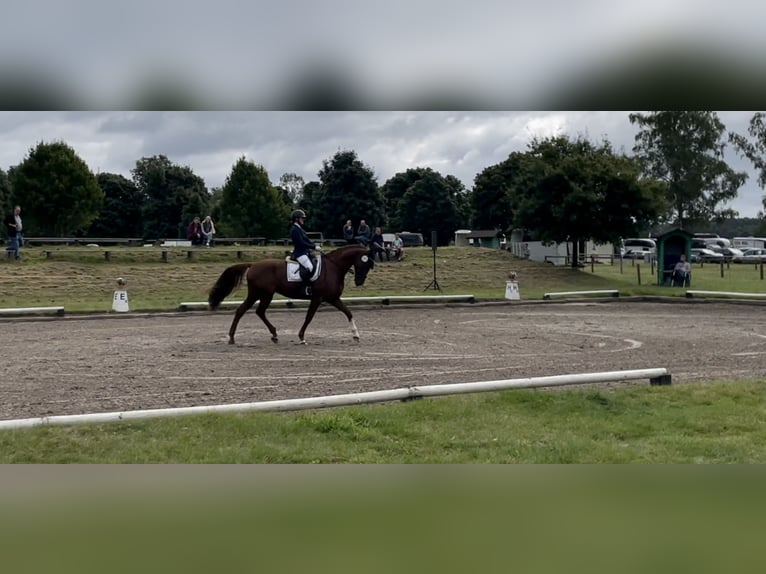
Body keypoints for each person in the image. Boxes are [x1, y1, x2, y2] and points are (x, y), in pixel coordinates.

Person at [290, 209, 321, 287]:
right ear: (296, 219)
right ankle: (305, 286)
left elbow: (307, 240)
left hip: (305, 252)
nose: (303, 220)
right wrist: (313, 247)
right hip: (300, 253)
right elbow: (301, 243)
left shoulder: (300, 229)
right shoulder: (294, 229)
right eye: (302, 218)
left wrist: (315, 245)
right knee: (309, 267)